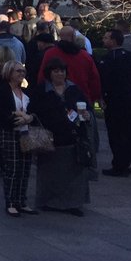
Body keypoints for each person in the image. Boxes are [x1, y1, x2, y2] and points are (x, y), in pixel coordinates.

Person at [32, 58, 93, 216]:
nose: (60, 74)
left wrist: (86, 114)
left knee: (74, 171)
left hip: (73, 135)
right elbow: (34, 109)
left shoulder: (74, 89)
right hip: (50, 135)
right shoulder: (42, 90)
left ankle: (73, 203)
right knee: (50, 171)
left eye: (62, 71)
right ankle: (48, 201)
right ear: (49, 73)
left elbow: (87, 107)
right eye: (56, 71)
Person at [0, 58, 38, 217]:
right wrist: (16, 117)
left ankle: (22, 200)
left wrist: (29, 118)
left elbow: (34, 110)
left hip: (25, 132)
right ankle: (11, 201)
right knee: (13, 167)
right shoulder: (2, 90)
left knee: (25, 167)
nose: (21, 73)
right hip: (9, 132)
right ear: (9, 73)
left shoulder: (26, 91)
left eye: (23, 71)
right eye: (18, 71)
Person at [99, 29, 131, 177]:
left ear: (113, 40)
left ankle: (120, 165)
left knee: (117, 134)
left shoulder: (108, 60)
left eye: (106, 37)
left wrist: (102, 97)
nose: (103, 40)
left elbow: (104, 81)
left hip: (116, 102)